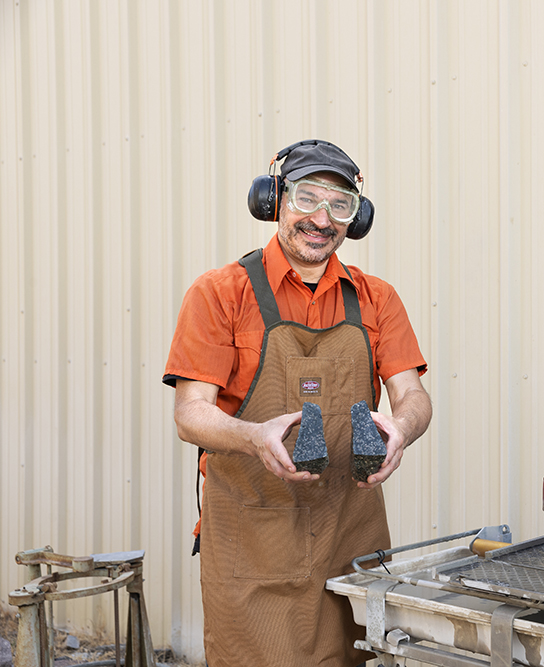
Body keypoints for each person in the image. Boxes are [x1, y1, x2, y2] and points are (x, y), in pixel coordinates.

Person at [163, 140, 431, 667]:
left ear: (357, 217)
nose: (321, 218)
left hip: (350, 533)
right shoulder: (220, 293)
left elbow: (413, 394)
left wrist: (401, 428)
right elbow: (190, 412)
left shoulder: (377, 298)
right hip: (253, 537)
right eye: (306, 197)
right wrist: (253, 436)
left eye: (340, 205)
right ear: (274, 200)